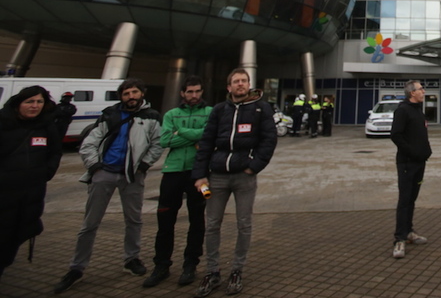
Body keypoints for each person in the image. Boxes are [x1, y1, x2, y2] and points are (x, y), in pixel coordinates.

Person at [54, 79, 162, 294]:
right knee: (90, 223)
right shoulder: (110, 114)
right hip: (105, 173)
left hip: (132, 175)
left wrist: (143, 165)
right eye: (126, 93)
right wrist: (95, 166)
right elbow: (89, 142)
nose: (131, 96)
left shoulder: (151, 117)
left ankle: (131, 258)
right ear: (121, 96)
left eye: (134, 92)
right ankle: (76, 267)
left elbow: (157, 143)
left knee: (134, 220)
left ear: (142, 93)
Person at [192, 69, 277, 297]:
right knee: (212, 223)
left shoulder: (261, 108)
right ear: (229, 87)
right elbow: (206, 141)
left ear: (249, 85)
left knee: (244, 223)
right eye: (236, 81)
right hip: (216, 178)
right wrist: (200, 175)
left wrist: (253, 166)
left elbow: (269, 140)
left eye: (244, 81)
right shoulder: (220, 110)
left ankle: (237, 270)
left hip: (244, 177)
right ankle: (212, 271)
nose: (240, 84)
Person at [143, 76, 213, 288]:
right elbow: (165, 140)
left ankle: (190, 264)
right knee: (165, 221)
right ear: (182, 93)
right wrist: (195, 137)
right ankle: (161, 265)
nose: (194, 96)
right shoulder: (172, 114)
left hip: (200, 174)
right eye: (190, 92)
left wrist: (180, 131)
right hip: (172, 172)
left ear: (202, 92)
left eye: (197, 91)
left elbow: (209, 136)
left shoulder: (210, 112)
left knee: (198, 219)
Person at [0, 86, 62, 280]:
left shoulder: (45, 126)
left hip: (30, 196)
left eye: (39, 102)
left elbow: (55, 151)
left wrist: (46, 172)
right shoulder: (3, 123)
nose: (35, 106)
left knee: (16, 235)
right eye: (30, 102)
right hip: (3, 194)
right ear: (18, 103)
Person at [390, 80, 432, 259]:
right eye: (420, 89)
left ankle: (409, 232)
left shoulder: (418, 111)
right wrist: (413, 153)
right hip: (407, 163)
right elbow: (396, 135)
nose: (423, 91)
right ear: (412, 93)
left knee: (412, 199)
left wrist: (426, 151)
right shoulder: (403, 110)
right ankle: (399, 238)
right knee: (405, 200)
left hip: (419, 163)